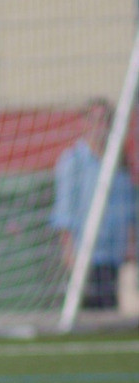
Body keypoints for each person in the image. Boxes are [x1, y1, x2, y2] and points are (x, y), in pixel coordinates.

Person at [50, 98, 136, 309]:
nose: (101, 126)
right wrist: (70, 254)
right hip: (86, 255)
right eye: (95, 120)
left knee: (110, 311)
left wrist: (131, 245)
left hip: (113, 256)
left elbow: (129, 210)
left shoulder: (119, 161)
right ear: (85, 123)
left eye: (105, 120)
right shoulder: (73, 162)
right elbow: (64, 213)